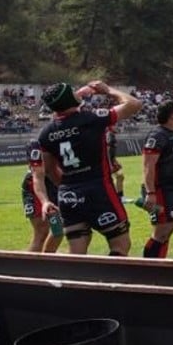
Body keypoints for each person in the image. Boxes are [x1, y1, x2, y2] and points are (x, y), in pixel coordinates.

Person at [30, 80, 143, 256]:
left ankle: (76, 283)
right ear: (69, 98)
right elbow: (134, 104)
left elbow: (50, 171)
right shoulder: (92, 118)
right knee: (120, 244)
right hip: (99, 189)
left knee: (77, 252)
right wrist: (108, 90)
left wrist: (70, 187)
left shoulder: (46, 134)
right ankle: (109, 283)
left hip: (68, 195)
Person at [140, 100, 173, 259]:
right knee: (161, 232)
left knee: (169, 229)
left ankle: (160, 264)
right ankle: (149, 268)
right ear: (172, 115)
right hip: (161, 190)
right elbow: (148, 165)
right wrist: (150, 192)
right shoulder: (158, 135)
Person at [21, 141, 61, 252]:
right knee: (41, 231)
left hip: (55, 184)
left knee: (59, 230)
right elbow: (38, 175)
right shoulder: (37, 143)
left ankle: (46, 262)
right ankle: (31, 266)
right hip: (34, 186)